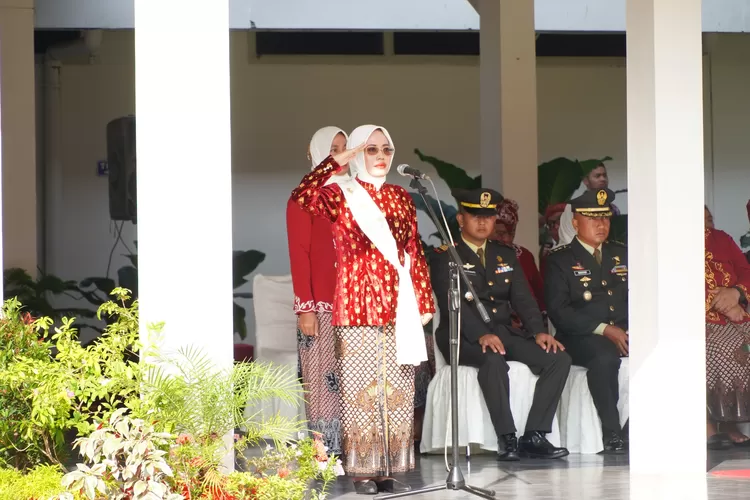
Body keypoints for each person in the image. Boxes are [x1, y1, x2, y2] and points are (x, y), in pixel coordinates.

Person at [290, 124, 434, 495]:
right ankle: (361, 472)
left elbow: (413, 251)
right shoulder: (338, 194)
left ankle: (388, 469)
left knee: (396, 393)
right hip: (355, 305)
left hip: (397, 306)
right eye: (371, 150)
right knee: (360, 393)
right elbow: (301, 196)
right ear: (357, 153)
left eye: (386, 149)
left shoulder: (402, 196)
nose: (381, 156)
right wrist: (332, 163)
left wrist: (423, 298)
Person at [430, 188, 571, 461]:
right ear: (461, 219)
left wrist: (539, 331)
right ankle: (507, 438)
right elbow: (451, 303)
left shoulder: (504, 254)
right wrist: (481, 334)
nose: (483, 222)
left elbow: (523, 298)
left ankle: (534, 435)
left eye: (489, 216)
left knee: (558, 359)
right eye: (475, 215)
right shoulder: (445, 254)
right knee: (493, 360)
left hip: (503, 332)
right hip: (461, 335)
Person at [544, 188, 628, 454]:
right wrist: (605, 329)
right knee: (604, 356)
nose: (601, 224)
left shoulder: (621, 253)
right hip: (580, 336)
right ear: (575, 222)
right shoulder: (560, 260)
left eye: (604, 217)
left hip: (624, 331)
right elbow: (560, 311)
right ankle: (612, 432)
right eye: (592, 218)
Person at [286, 126, 348, 456]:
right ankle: (326, 453)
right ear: (316, 154)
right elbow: (300, 254)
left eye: (344, 148)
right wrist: (305, 308)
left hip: (354, 306)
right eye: (332, 149)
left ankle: (355, 450)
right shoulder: (302, 199)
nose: (340, 156)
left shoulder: (355, 196)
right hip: (320, 307)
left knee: (353, 377)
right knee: (322, 381)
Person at [704, 206, 750, 449]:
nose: (707, 223)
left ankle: (732, 421)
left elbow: (745, 271)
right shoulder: (674, 242)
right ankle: (711, 423)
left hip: (736, 311)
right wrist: (721, 303)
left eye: (709, 217)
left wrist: (737, 293)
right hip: (696, 317)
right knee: (723, 348)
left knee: (746, 343)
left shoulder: (722, 238)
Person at [491, 198, 546, 313]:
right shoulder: (479, 256)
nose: (500, 238)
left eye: (505, 234)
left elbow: (540, 295)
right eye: (496, 233)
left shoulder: (524, 256)